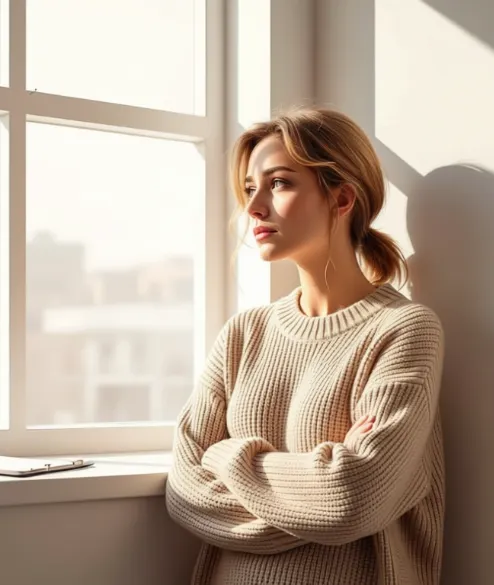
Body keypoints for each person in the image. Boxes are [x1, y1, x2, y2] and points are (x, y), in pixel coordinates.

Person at [165, 107, 445, 585]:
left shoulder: (404, 330)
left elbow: (351, 499)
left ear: (342, 198)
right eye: (250, 188)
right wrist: (313, 491)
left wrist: (226, 457)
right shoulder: (243, 334)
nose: (254, 207)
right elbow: (185, 493)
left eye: (278, 183)